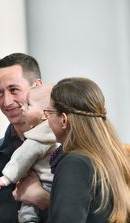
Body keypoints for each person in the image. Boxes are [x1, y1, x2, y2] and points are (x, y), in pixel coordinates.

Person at [0, 53, 45, 223]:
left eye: (14, 90)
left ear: (37, 87)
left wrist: (41, 198)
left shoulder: (68, 148)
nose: (6, 102)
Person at [44, 77, 130, 223]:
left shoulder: (74, 165)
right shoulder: (113, 158)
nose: (45, 118)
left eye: (48, 112)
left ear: (64, 120)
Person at [0, 85, 57, 223]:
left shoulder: (37, 138)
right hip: (55, 185)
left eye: (28, 105)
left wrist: (5, 179)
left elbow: (20, 159)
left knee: (27, 212)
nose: (23, 107)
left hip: (44, 182)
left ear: (44, 113)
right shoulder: (56, 133)